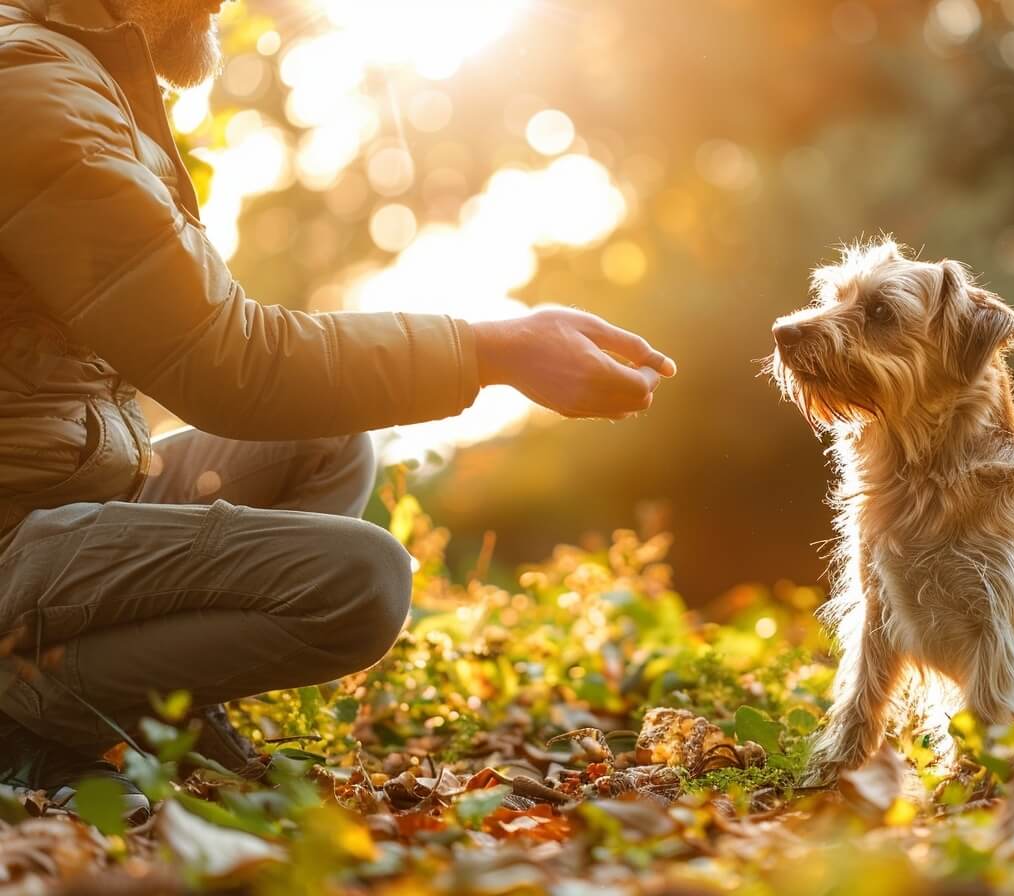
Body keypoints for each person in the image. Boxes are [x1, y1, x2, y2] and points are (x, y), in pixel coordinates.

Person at [0, 0, 676, 823]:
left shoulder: (72, 73)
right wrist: (493, 353)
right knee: (363, 581)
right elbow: (224, 361)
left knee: (325, 444)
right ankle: (21, 711)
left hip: (54, 493)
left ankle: (136, 706)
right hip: (12, 530)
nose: (222, 3)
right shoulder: (33, 92)